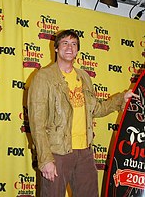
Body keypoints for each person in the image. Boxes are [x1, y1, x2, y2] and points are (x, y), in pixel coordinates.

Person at [27, 29, 138, 197]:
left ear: (77, 50)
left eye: (74, 44)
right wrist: (45, 159)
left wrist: (123, 98)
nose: (69, 47)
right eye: (65, 43)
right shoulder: (43, 77)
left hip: (85, 152)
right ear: (56, 48)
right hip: (57, 152)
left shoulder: (84, 77)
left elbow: (96, 109)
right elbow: (37, 122)